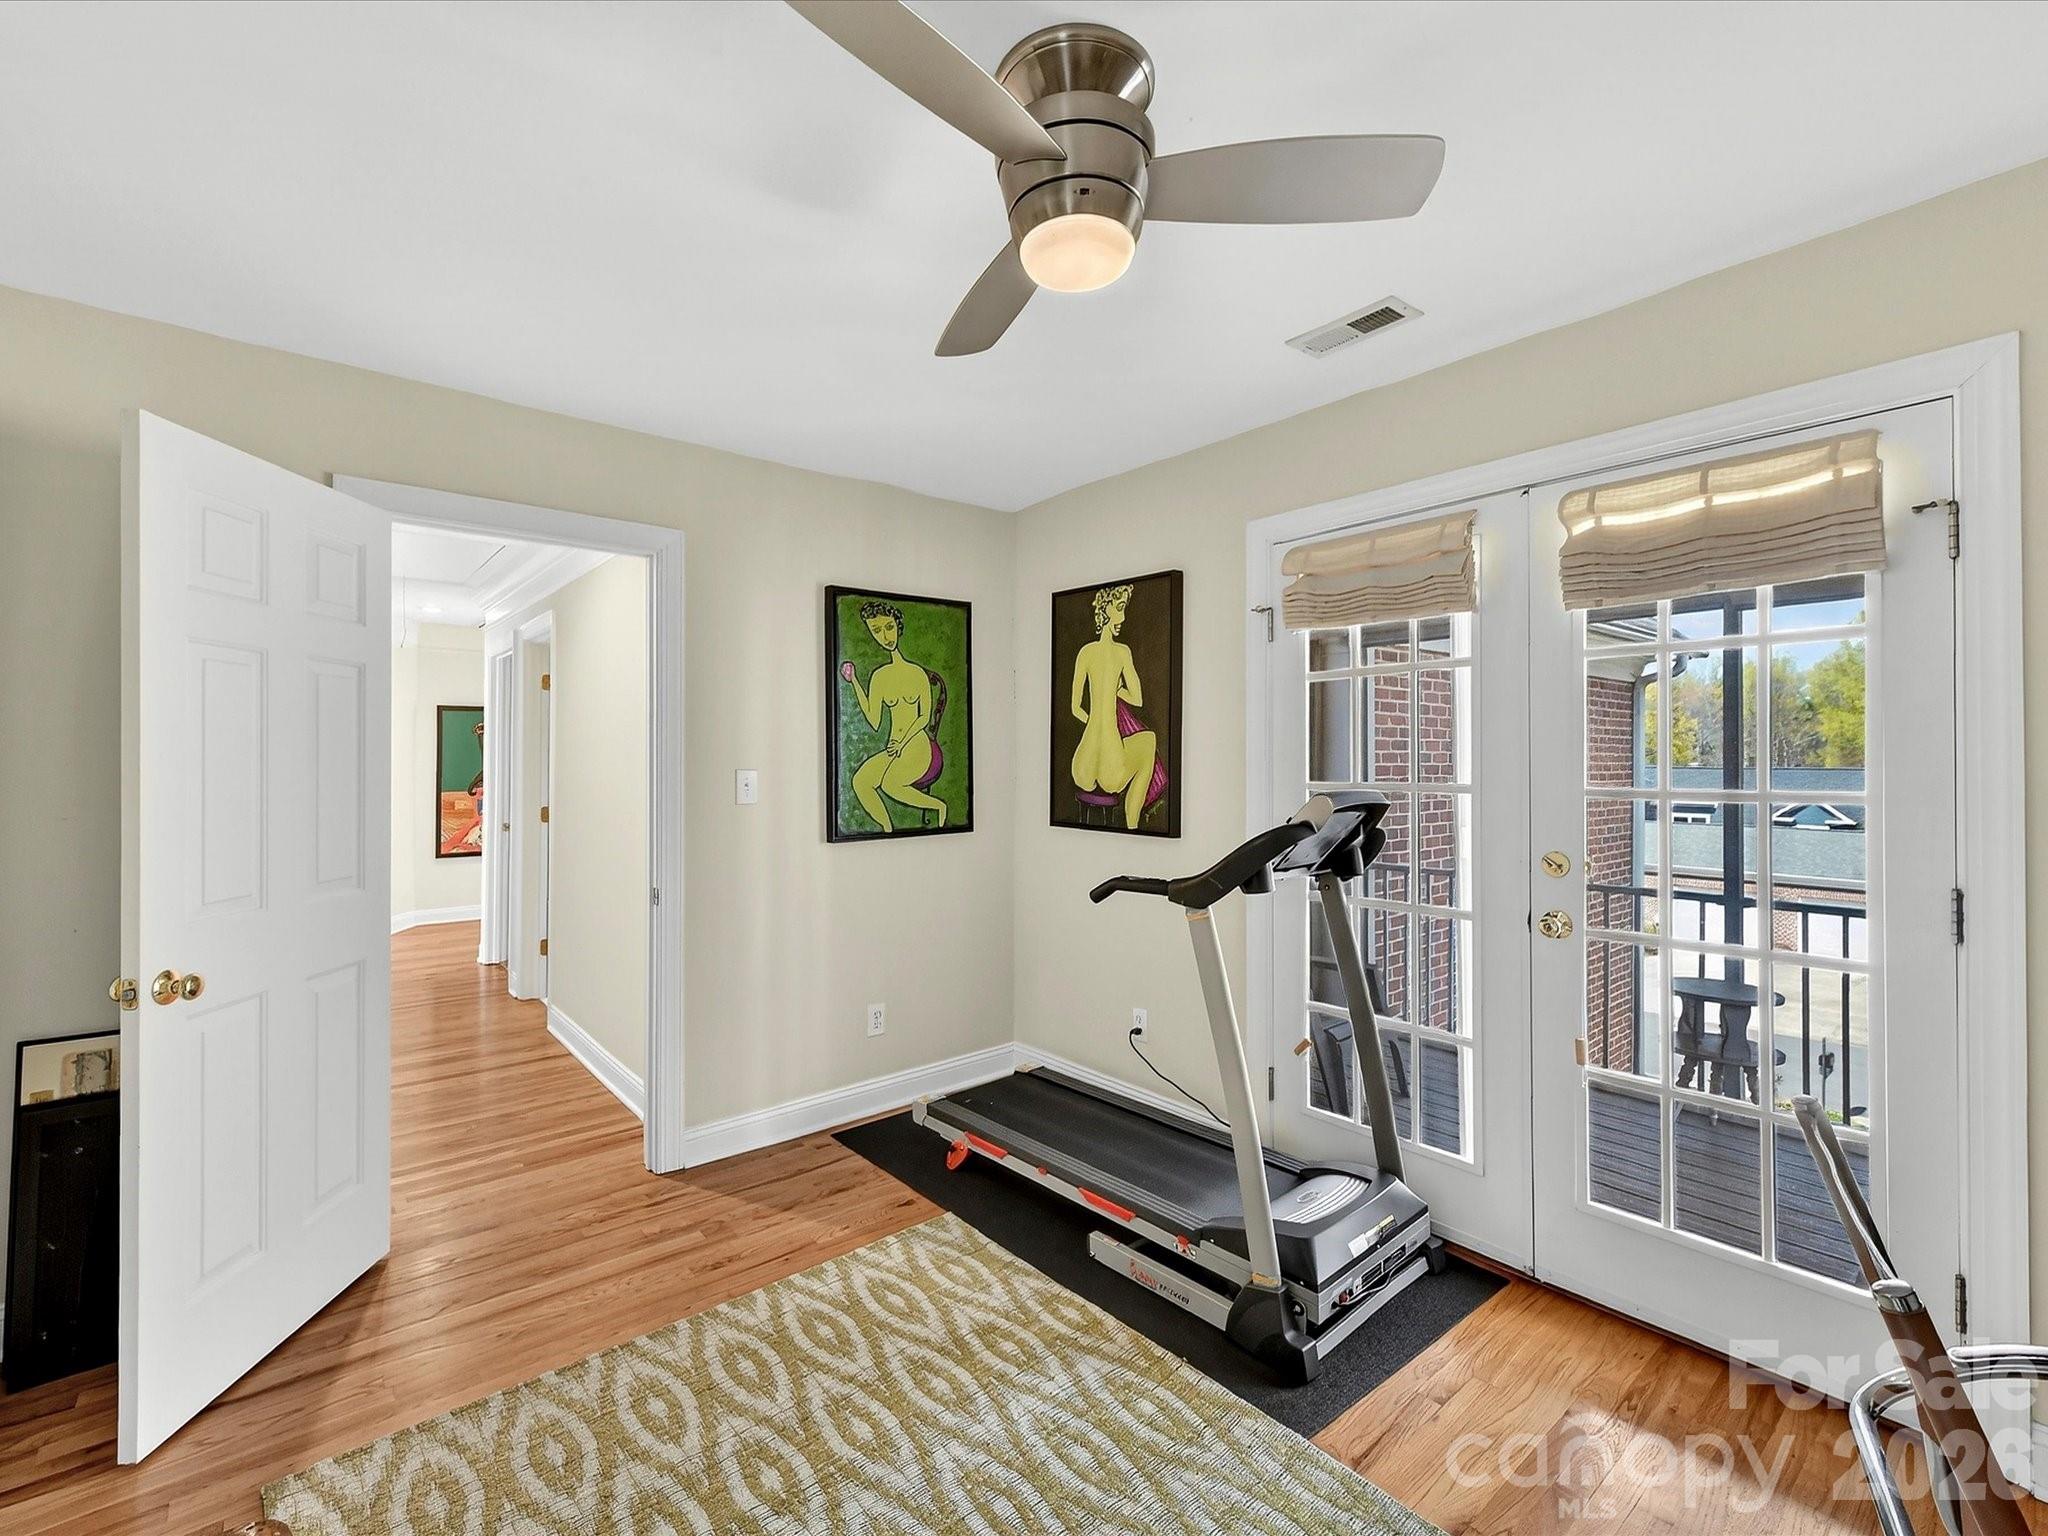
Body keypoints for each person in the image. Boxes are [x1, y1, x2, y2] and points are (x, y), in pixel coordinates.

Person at [841, 599, 948, 831]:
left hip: (918, 746)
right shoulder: (879, 677)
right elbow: (874, 720)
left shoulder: (916, 673)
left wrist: (902, 742)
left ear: (897, 626)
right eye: (877, 630)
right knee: (861, 781)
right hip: (893, 747)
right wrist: (855, 683)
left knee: (890, 783)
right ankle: (888, 830)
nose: (885, 635)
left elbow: (924, 718)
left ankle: (938, 806)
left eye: (888, 627)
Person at [1069, 583, 1165, 831]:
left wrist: (1095, 721)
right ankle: (1131, 824)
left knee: (1130, 741)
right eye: (1119, 608)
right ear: (1106, 609)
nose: (1122, 617)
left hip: (1081, 766)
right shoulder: (1122, 653)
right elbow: (1138, 698)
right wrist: (1117, 689)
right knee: (1149, 740)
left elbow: (1076, 708)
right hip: (1111, 770)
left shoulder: (1085, 652)